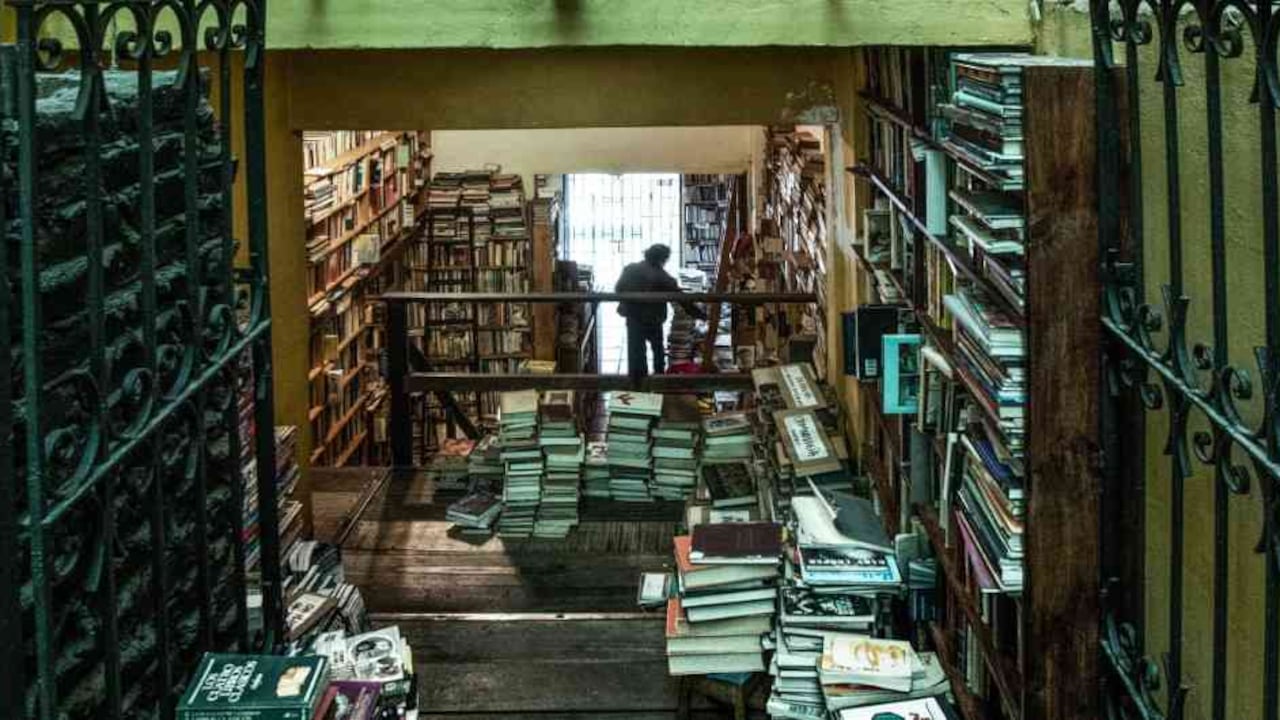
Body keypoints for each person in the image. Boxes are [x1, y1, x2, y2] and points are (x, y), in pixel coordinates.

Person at [614, 244, 707, 383]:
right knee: (657, 350)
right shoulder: (663, 278)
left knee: (636, 351)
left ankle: (637, 382)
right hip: (653, 319)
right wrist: (701, 314)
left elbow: (618, 288)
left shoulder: (630, 269)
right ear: (662, 259)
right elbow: (681, 300)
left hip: (633, 317)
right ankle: (659, 381)